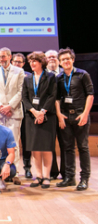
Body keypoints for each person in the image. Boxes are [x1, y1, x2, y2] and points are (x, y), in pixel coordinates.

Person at [55, 48, 94, 191]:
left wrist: (85, 114)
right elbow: (57, 99)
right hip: (65, 116)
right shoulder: (58, 78)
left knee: (83, 148)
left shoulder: (83, 75)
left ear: (72, 59)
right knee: (68, 148)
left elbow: (90, 95)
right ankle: (69, 178)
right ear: (59, 62)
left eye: (67, 59)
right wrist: (59, 115)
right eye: (62, 59)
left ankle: (84, 179)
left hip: (80, 115)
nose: (65, 61)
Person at [0, 47, 24, 185]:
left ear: (10, 57)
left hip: (14, 113)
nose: (1, 59)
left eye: (4, 56)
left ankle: (15, 172)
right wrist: (0, 107)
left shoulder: (19, 71)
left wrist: (10, 106)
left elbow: (21, 91)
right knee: (0, 144)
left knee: (14, 143)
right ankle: (1, 171)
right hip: (0, 113)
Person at [22, 52, 57, 189]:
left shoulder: (50, 77)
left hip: (47, 117)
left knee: (46, 148)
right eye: (30, 61)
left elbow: (52, 96)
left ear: (41, 62)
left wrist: (42, 112)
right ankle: (39, 176)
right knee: (35, 148)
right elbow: (24, 98)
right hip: (32, 117)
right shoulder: (27, 79)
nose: (32, 63)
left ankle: (47, 176)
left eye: (34, 61)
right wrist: (34, 111)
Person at [45, 49, 65, 180]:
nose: (52, 59)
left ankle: (66, 172)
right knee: (49, 145)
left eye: (54, 56)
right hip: (48, 114)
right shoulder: (41, 75)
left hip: (64, 115)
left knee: (65, 144)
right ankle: (52, 172)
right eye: (49, 57)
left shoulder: (66, 74)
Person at [12, 53, 32, 178]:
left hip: (27, 113)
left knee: (26, 141)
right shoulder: (9, 75)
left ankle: (27, 167)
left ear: (23, 64)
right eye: (15, 61)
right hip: (12, 112)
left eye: (20, 62)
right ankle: (12, 168)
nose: (17, 64)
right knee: (12, 142)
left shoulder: (30, 76)